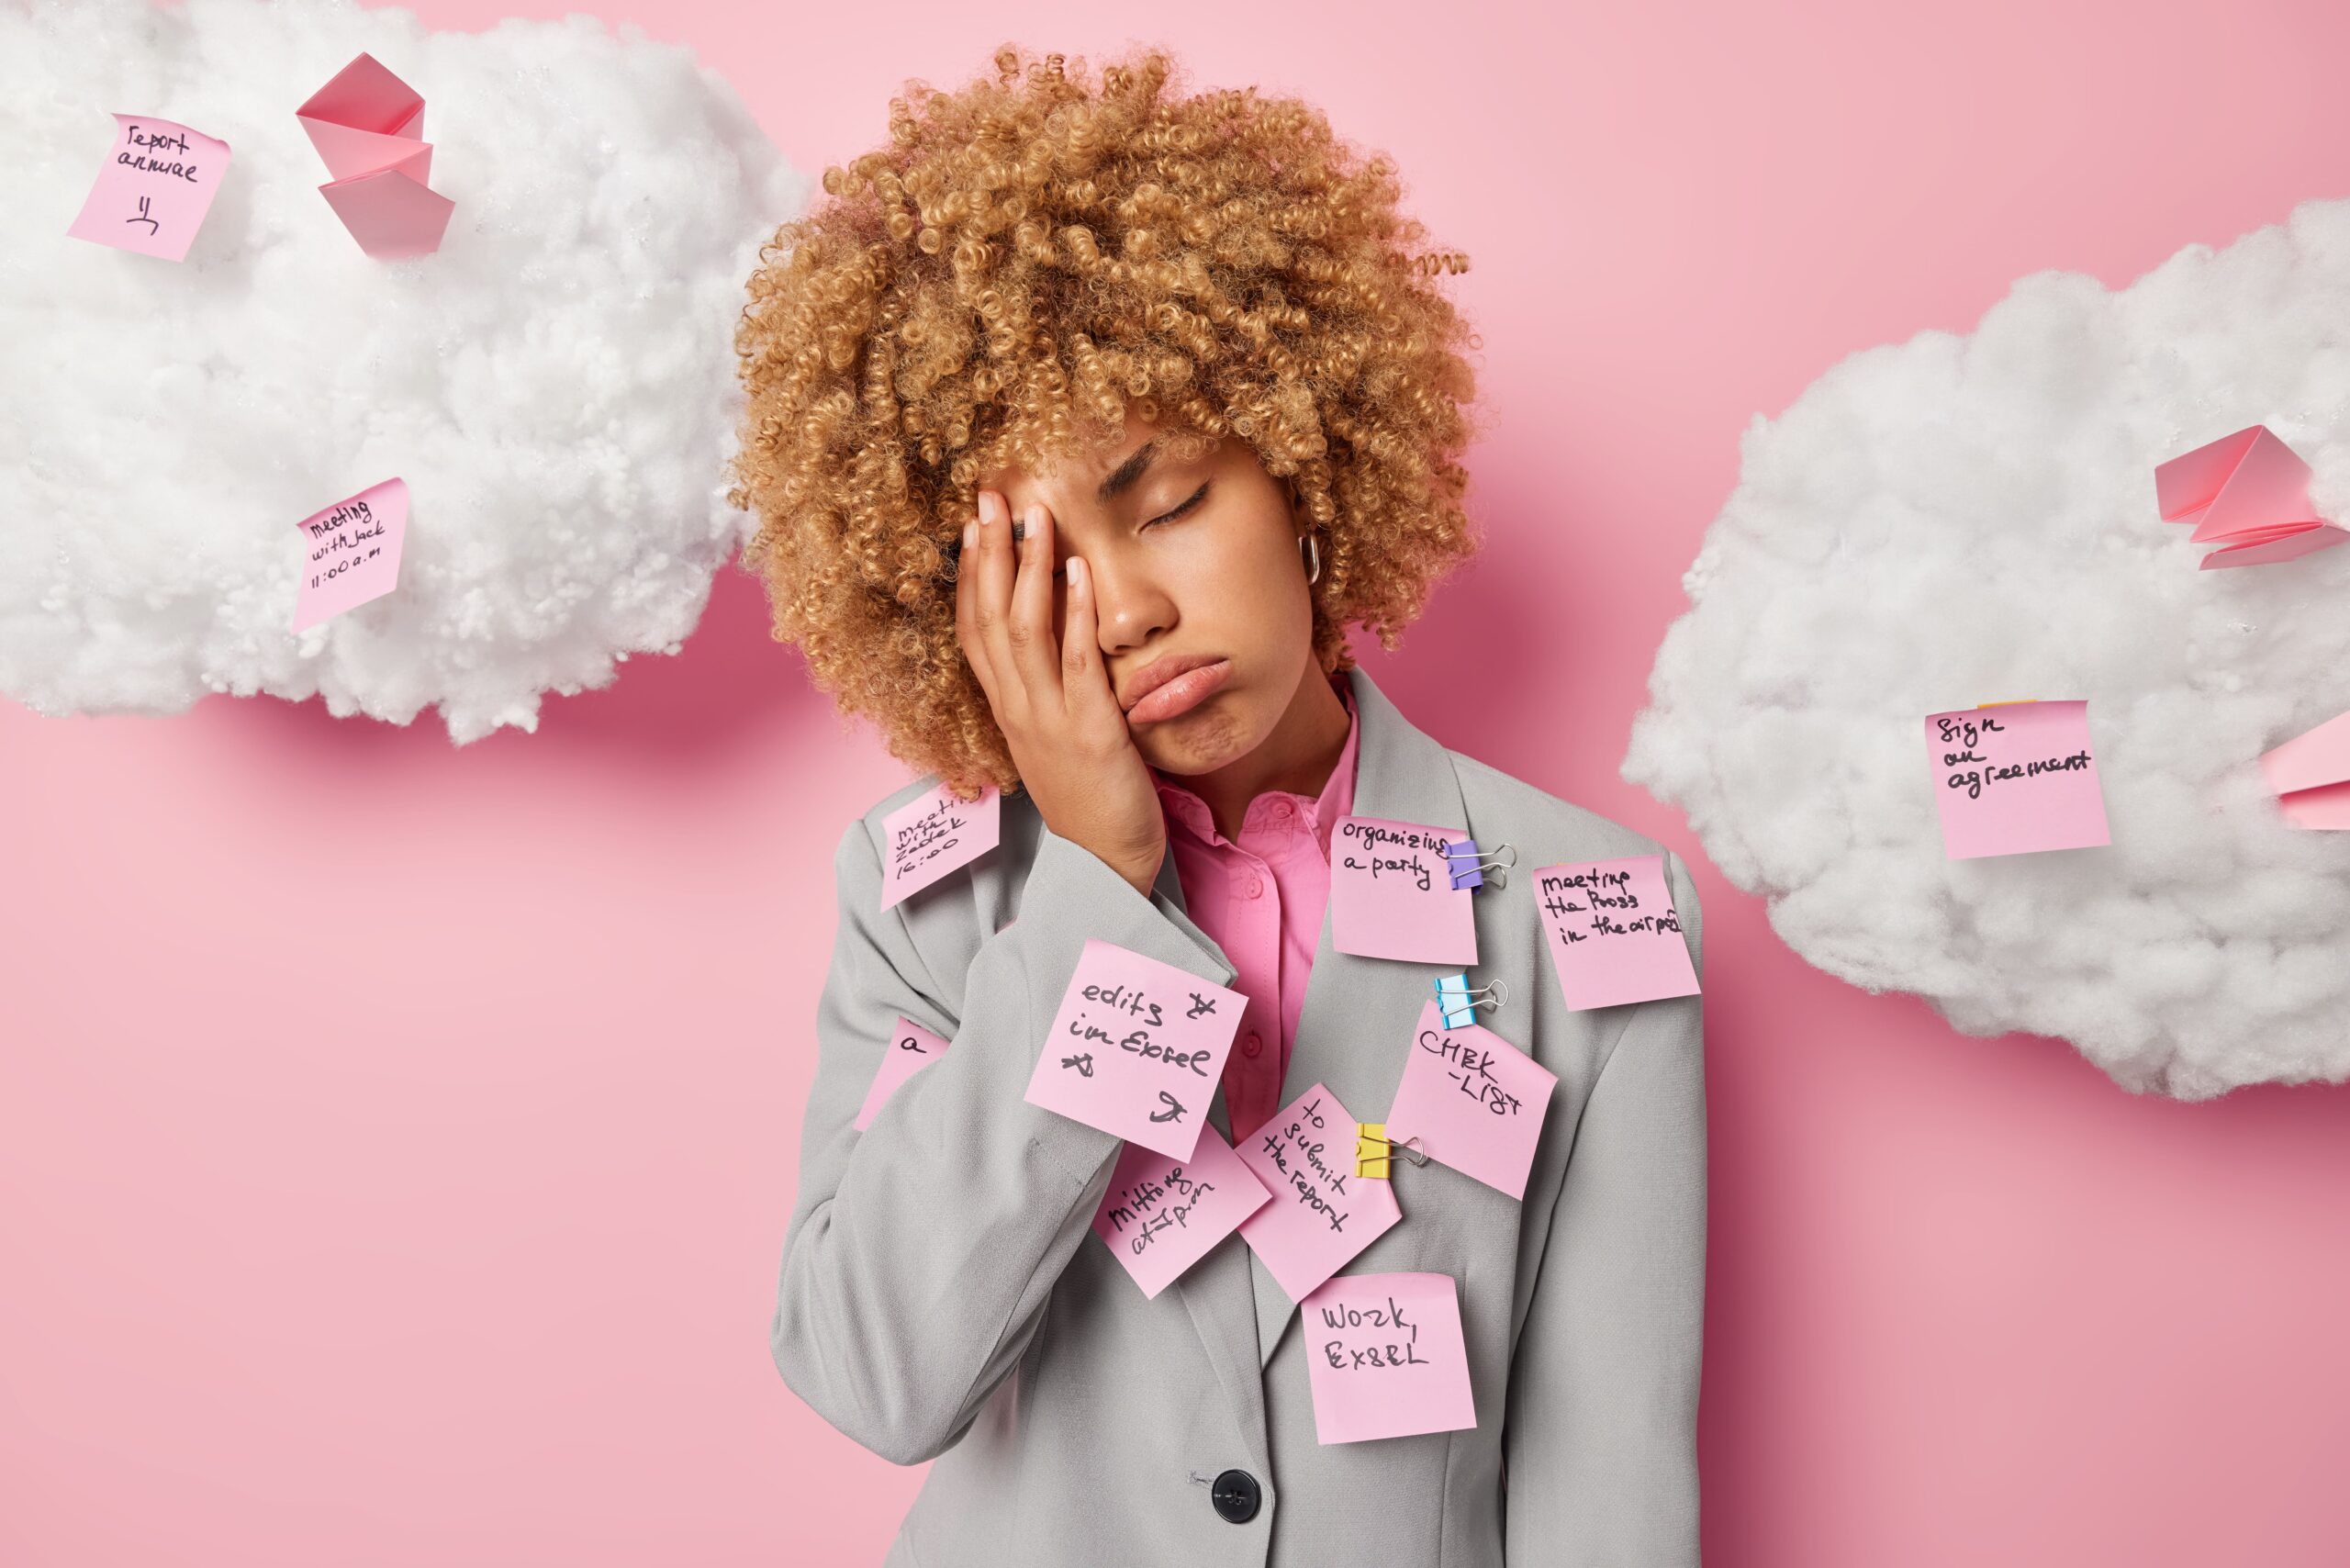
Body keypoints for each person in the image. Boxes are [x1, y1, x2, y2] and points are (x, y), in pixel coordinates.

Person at [730, 44, 1707, 1566]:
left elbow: (1610, 1459)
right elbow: (877, 1374)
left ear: (1305, 463)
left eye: (1169, 505)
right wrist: (1101, 887)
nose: (1120, 611)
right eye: (1036, 575)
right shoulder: (927, 897)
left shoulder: (1595, 906)